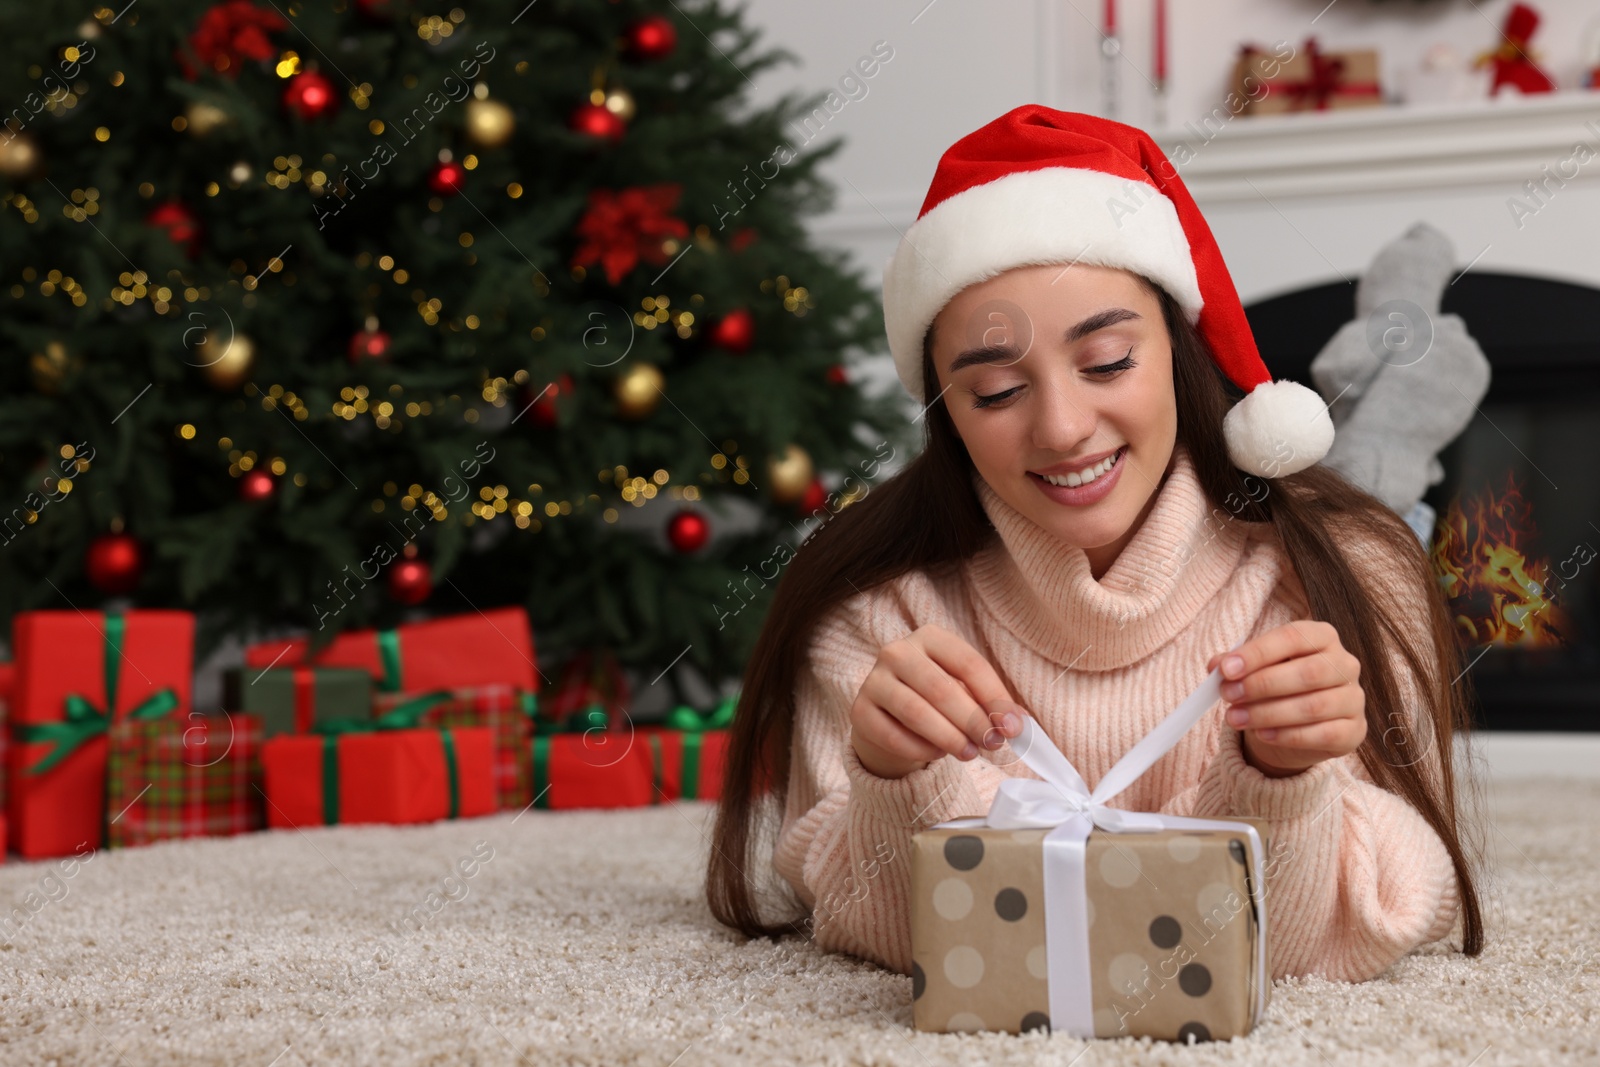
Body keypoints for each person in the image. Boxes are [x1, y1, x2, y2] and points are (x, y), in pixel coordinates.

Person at [706, 104, 1484, 984]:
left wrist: (1283, 779)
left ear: (1182, 351)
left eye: (1109, 361)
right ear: (945, 416)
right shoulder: (871, 608)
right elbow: (891, 941)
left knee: (1386, 484)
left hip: (1318, 522)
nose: (1065, 429)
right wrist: (897, 783)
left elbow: (1329, 945)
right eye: (996, 391)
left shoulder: (1352, 574)